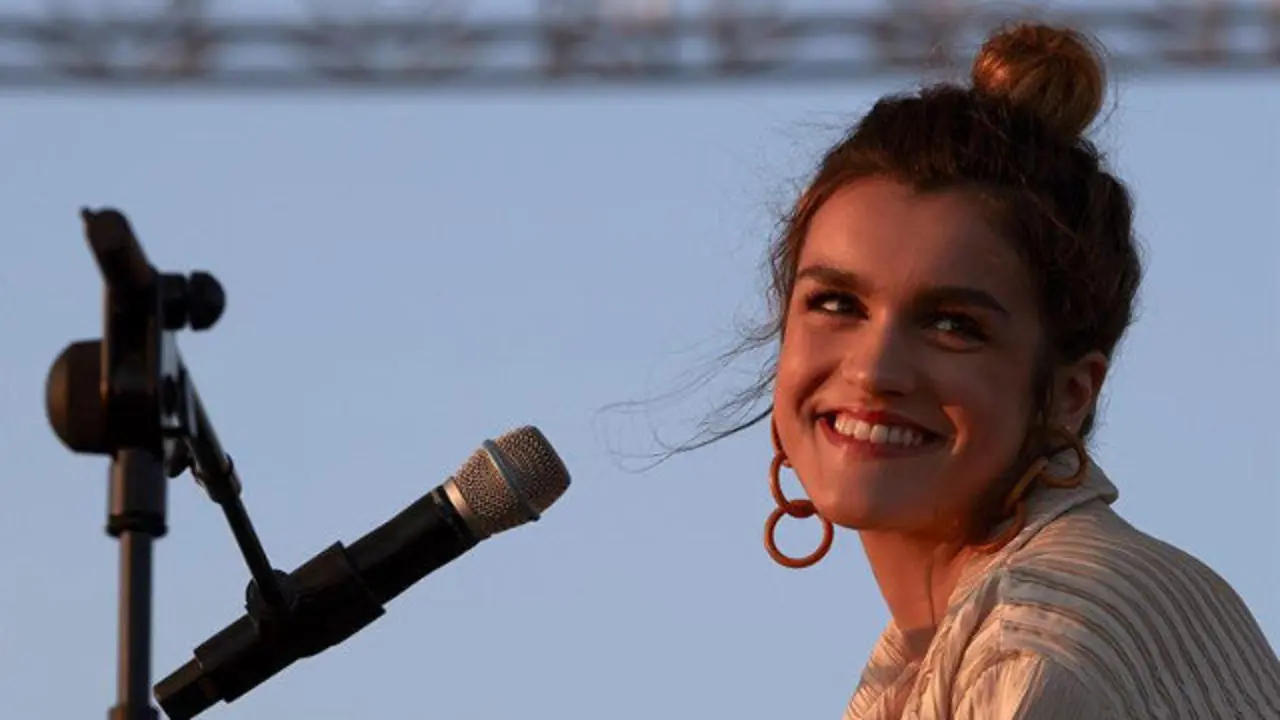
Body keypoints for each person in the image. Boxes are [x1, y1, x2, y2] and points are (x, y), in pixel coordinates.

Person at [698, 20, 1280, 720]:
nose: (875, 368)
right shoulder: (956, 637)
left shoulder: (1035, 642)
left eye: (953, 326)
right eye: (836, 303)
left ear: (1069, 393)